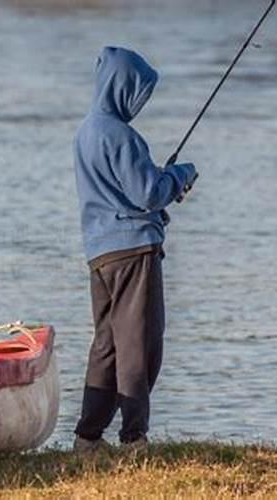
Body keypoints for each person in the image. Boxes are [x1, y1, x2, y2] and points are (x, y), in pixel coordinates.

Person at [72, 46, 197, 451]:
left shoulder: (87, 131)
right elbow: (148, 193)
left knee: (107, 344)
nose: (139, 103)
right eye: (138, 93)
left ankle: (88, 437)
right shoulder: (122, 135)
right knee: (139, 344)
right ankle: (134, 438)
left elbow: (121, 190)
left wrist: (159, 182)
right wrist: (180, 175)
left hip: (100, 253)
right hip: (133, 251)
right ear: (123, 88)